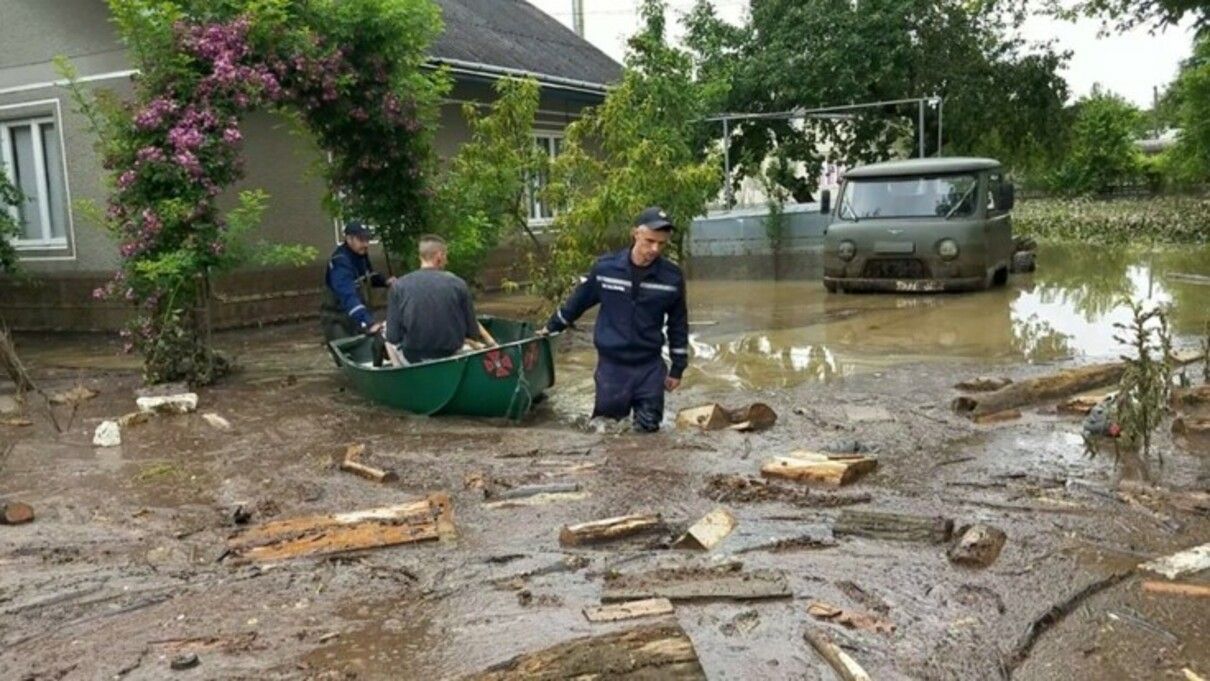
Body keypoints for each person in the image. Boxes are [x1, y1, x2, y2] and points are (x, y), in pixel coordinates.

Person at [540, 206, 689, 432]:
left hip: (649, 367)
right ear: (635, 234)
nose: (655, 249)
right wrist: (550, 329)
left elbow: (678, 325)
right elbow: (577, 303)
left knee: (649, 432)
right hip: (612, 367)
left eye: (661, 244)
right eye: (649, 241)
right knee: (606, 430)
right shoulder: (606, 269)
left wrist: (677, 368)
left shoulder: (671, 278)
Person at [385, 235, 488, 364]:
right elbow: (473, 332)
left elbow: (393, 336)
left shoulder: (398, 286)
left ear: (420, 257)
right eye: (446, 256)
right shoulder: (458, 283)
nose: (447, 261)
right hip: (451, 353)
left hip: (414, 358)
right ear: (439, 256)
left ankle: (400, 377)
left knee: (385, 338)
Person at [321, 221, 392, 342]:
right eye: (361, 240)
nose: (366, 244)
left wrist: (386, 281)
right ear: (349, 239)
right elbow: (348, 295)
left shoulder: (360, 254)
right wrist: (368, 322)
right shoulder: (340, 263)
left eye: (367, 240)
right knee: (350, 352)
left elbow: (368, 275)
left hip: (355, 317)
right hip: (338, 320)